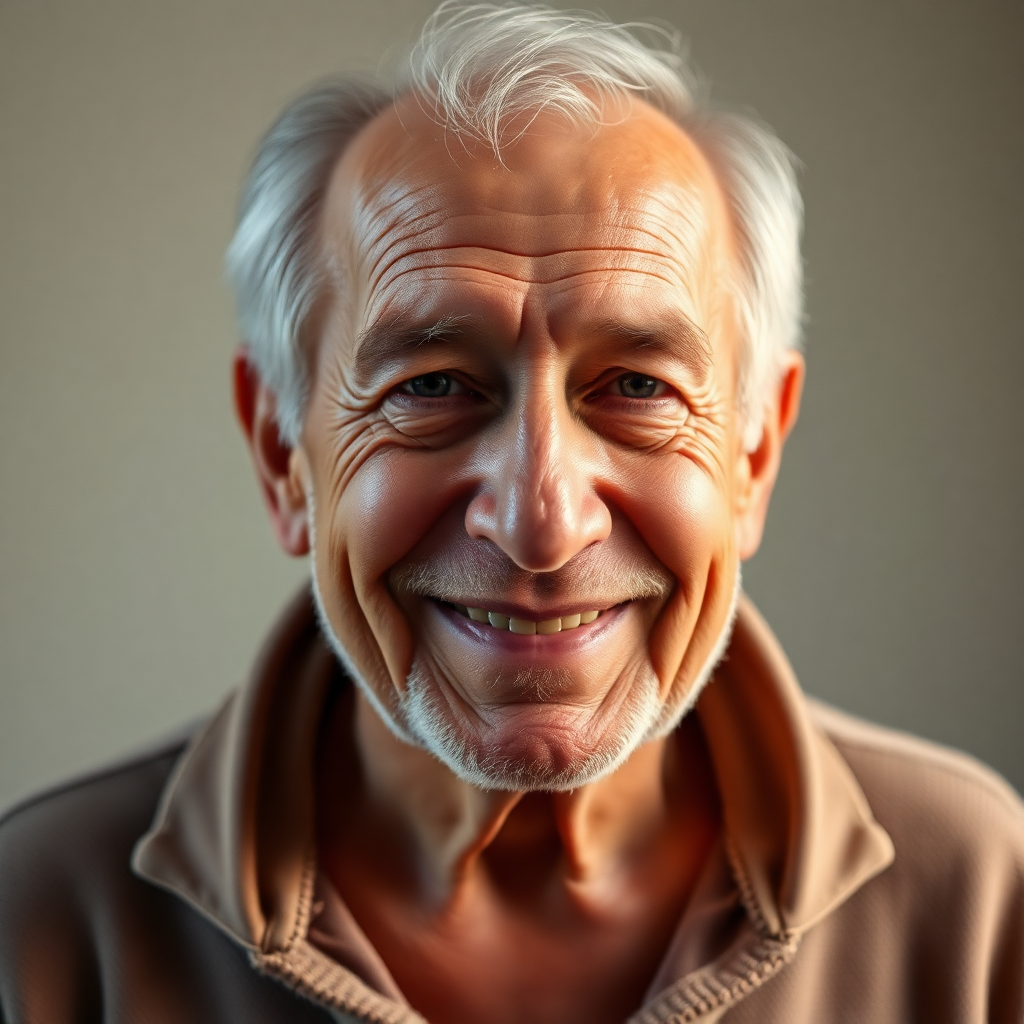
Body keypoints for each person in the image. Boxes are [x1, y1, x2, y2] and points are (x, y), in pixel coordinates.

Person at [1, 4, 1022, 1022]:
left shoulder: (978, 898)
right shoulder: (40, 924)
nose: (543, 524)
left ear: (753, 453)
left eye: (636, 387)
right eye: (432, 386)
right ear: (283, 457)